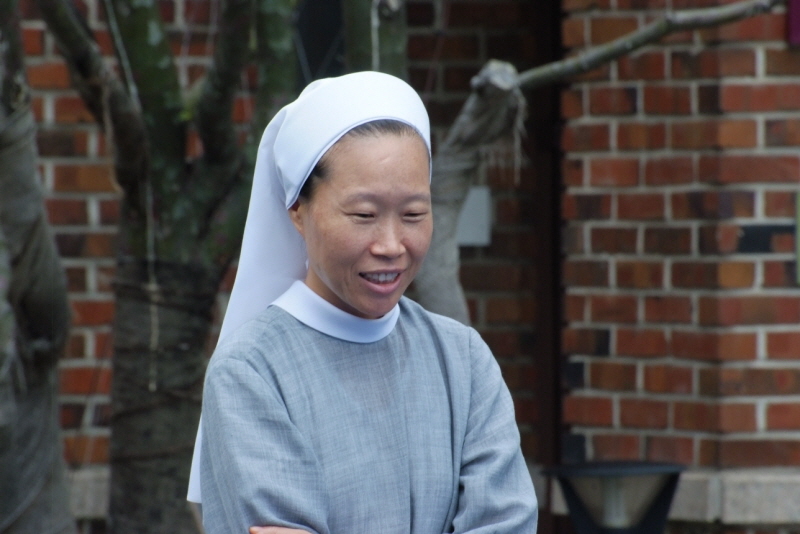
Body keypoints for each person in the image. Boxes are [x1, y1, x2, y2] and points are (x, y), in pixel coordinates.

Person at [187, 71, 538, 534]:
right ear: (297, 210)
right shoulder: (252, 370)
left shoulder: (462, 360)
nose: (391, 244)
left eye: (413, 213)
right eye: (363, 215)